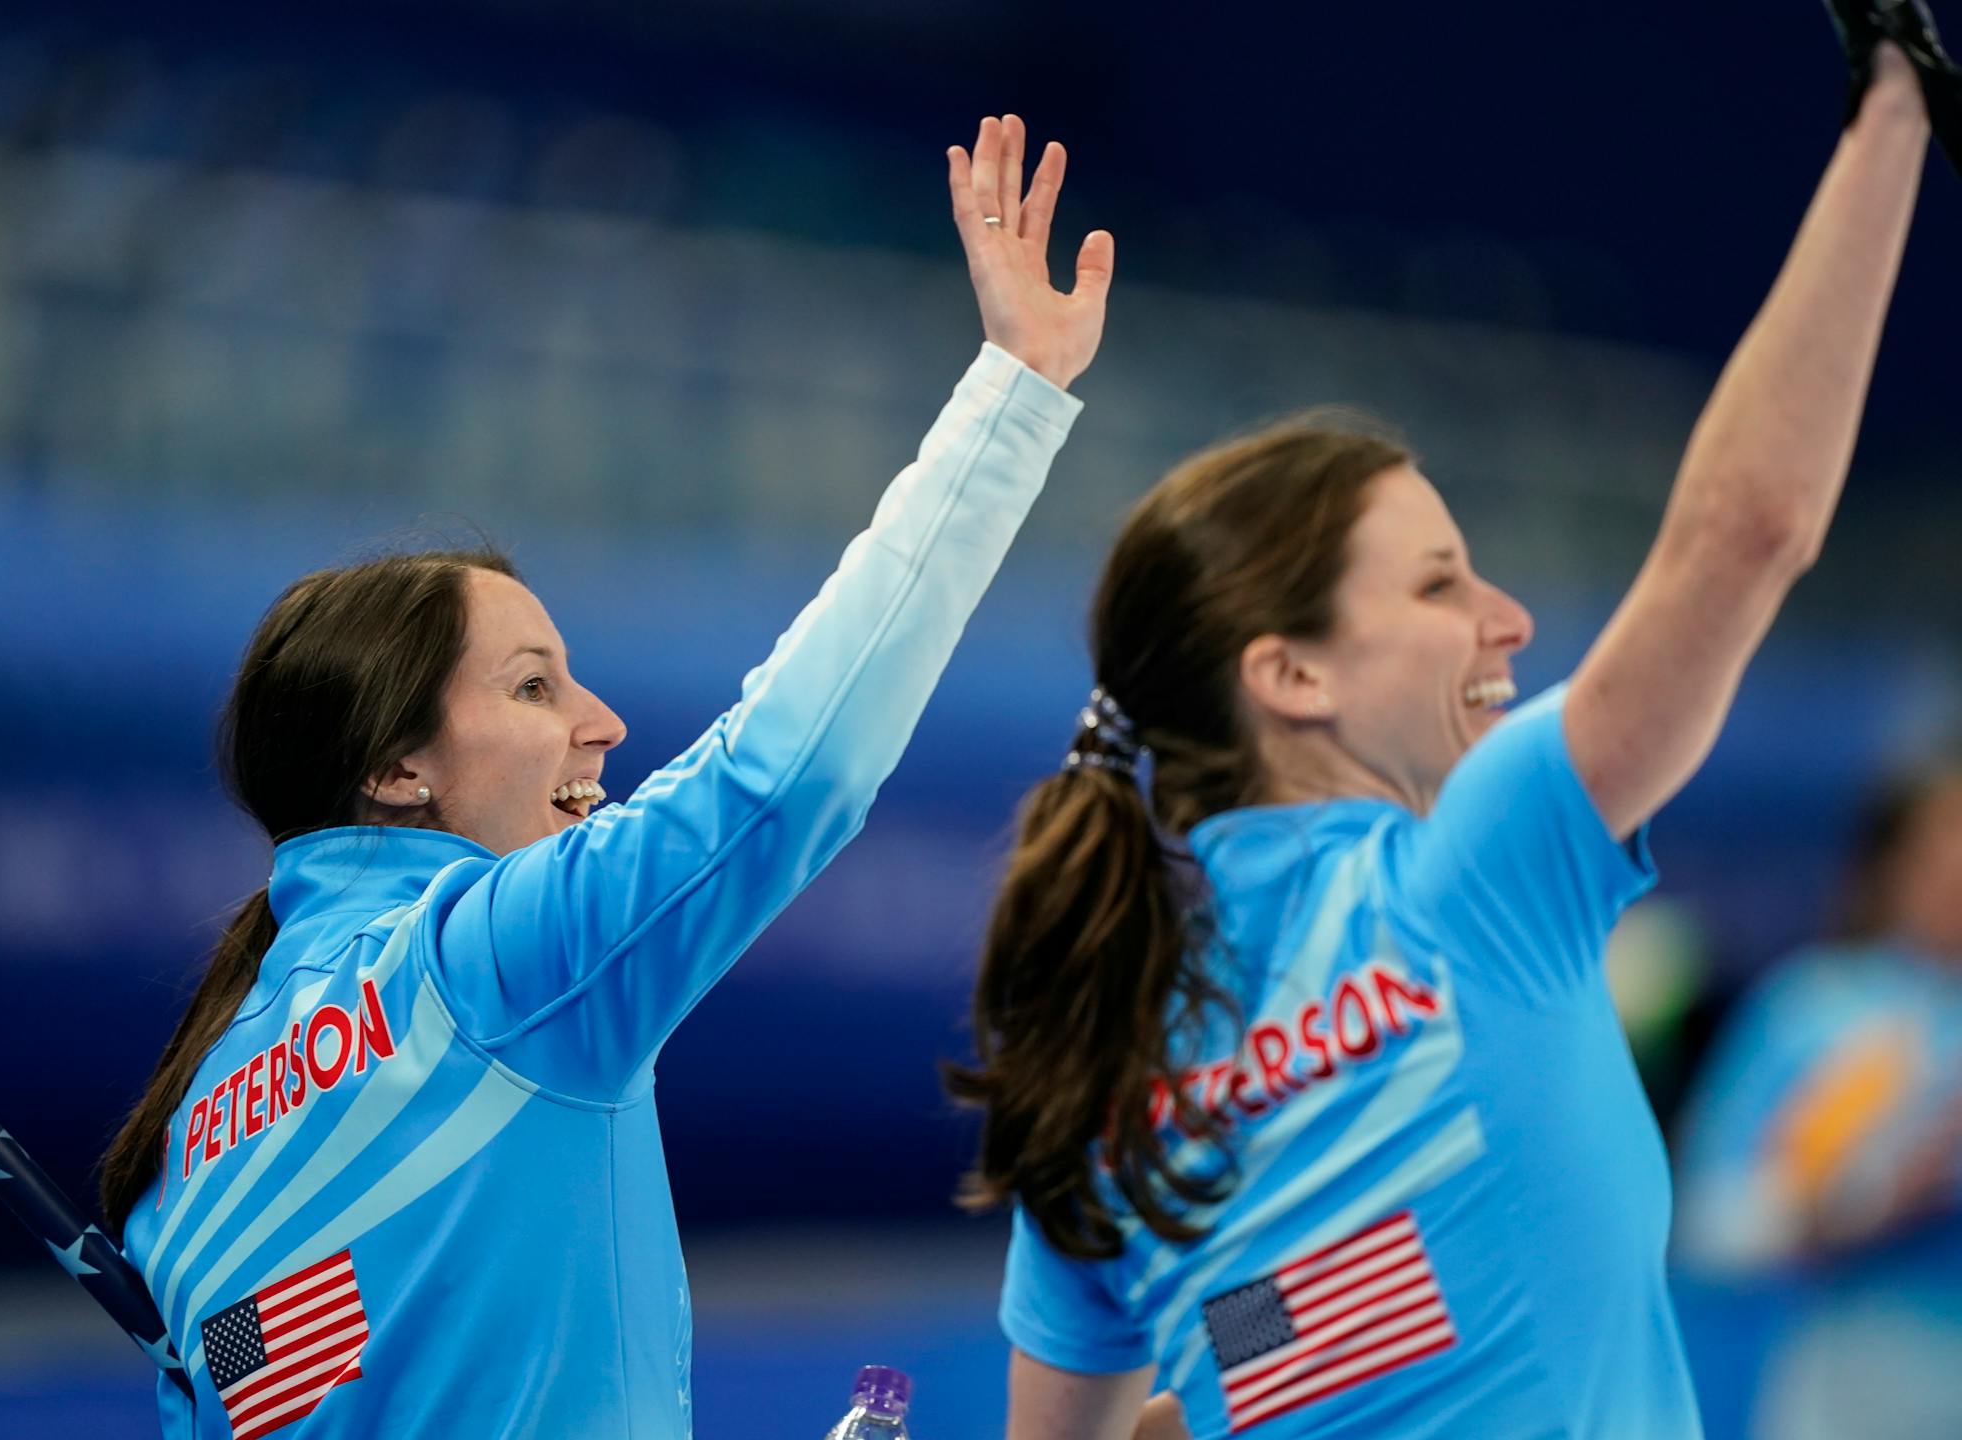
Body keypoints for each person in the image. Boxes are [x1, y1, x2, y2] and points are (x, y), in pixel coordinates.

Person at [945, 27, 1943, 1440]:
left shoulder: (1101, 1057)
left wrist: (1230, 1372)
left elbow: (1332, 1307)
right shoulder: (1476, 868)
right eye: (1438, 583)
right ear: (1290, 675)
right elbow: (1745, 533)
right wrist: (1896, 104)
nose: (1510, 619)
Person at [97, 113, 1112, 1438]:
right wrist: (1016, 389)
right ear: (400, 767)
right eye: (534, 686)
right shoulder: (484, 967)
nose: (603, 723)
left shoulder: (187, 1151)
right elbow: (786, 773)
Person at [1676, 763, 1962, 1440]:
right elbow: (1710, 1223)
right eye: (1943, 850)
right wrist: (1860, 1201)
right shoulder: (1816, 1009)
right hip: (1856, 1383)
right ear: (1893, 864)